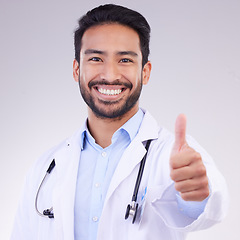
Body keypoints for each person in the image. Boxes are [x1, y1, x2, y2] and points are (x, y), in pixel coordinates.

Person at [11, 4, 228, 240]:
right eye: (95, 58)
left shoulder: (174, 155)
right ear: (76, 70)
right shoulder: (45, 168)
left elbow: (211, 204)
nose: (110, 75)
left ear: (145, 72)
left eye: (125, 60)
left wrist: (197, 196)